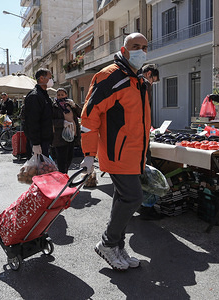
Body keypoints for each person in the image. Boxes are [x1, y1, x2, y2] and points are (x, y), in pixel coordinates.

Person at [80, 32, 151, 271]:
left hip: (133, 154)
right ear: (124, 49)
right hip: (116, 152)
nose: (141, 50)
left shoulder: (138, 79)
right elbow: (89, 116)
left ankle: (118, 247)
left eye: (144, 46)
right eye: (135, 46)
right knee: (133, 197)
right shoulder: (110, 76)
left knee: (122, 198)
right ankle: (107, 243)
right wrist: (89, 154)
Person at [138, 64, 162, 220]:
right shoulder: (144, 85)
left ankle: (139, 205)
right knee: (145, 169)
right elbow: (144, 110)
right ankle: (146, 208)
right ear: (148, 74)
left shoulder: (134, 83)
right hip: (141, 134)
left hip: (136, 133)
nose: (154, 83)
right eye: (154, 79)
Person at [23, 68, 54, 157]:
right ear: (41, 78)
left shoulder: (44, 95)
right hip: (39, 141)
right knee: (38, 169)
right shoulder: (35, 96)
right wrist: (36, 143)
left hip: (45, 139)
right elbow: (32, 121)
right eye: (50, 77)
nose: (51, 80)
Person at [51, 88, 82, 173]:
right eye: (58, 95)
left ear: (66, 95)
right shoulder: (54, 107)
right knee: (61, 160)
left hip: (72, 135)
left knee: (69, 158)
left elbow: (81, 114)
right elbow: (50, 121)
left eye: (62, 94)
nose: (60, 96)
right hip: (60, 137)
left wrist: (75, 106)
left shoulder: (70, 106)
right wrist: (62, 123)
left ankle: (65, 175)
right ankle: (63, 178)